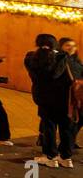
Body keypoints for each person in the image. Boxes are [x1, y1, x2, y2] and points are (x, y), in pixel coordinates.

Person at [24, 34, 73, 167]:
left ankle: (50, 156)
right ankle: (66, 157)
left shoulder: (31, 59)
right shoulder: (62, 58)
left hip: (44, 98)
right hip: (63, 98)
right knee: (65, 127)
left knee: (49, 127)